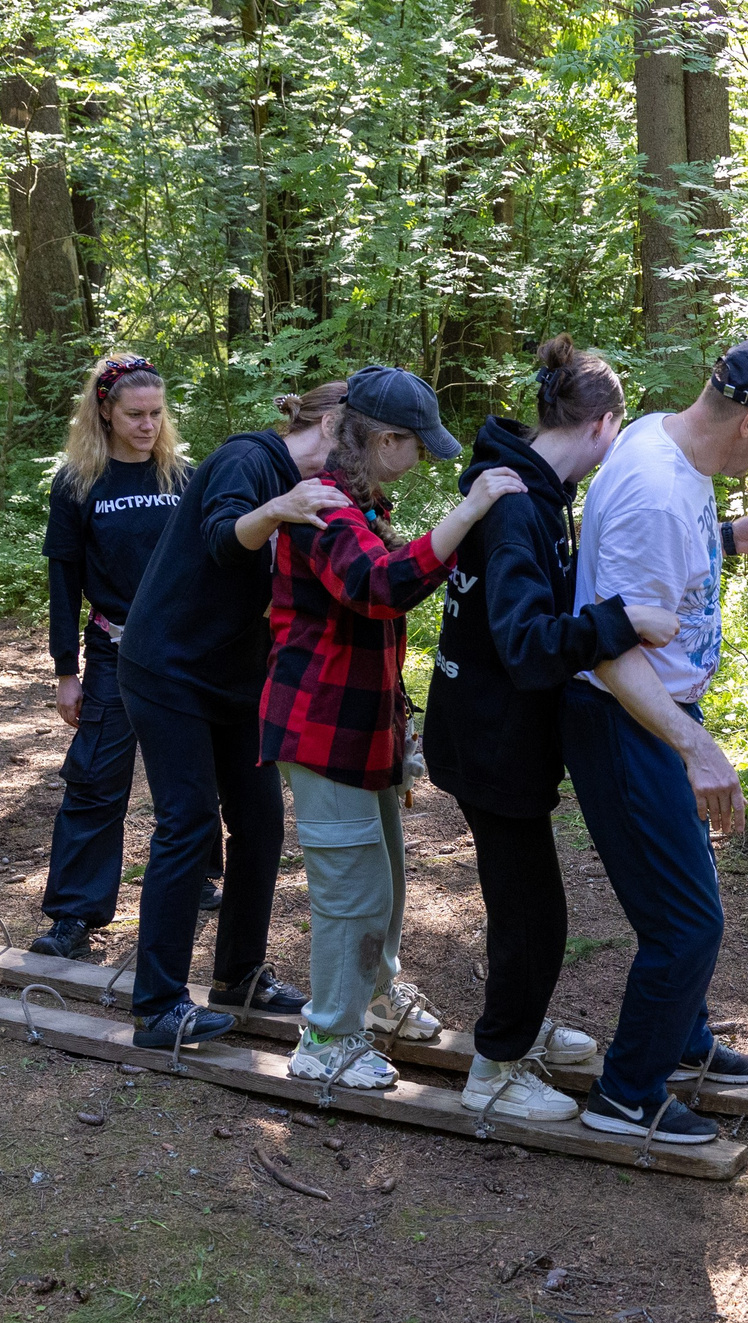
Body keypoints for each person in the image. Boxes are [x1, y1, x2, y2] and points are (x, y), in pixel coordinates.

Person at [560, 339, 748, 1143]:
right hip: (625, 717)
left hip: (658, 714)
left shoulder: (667, 446)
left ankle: (684, 1044)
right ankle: (626, 1094)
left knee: (691, 888)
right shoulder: (657, 495)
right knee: (686, 920)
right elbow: (610, 647)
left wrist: (733, 536)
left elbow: (654, 573)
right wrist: (692, 747)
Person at [424, 337, 681, 1120]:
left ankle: (518, 1034)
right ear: (603, 425)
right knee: (534, 912)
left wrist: (727, 540)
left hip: (490, 733)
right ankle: (496, 1065)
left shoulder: (530, 487)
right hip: (490, 740)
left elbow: (554, 588)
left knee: (528, 904)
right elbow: (527, 642)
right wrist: (620, 621)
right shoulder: (519, 510)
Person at [262, 364, 519, 1089]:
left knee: (389, 877)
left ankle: (373, 998)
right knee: (352, 888)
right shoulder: (323, 508)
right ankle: (327, 1036)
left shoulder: (361, 500)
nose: (426, 460)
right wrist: (464, 516)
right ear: (384, 440)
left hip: (363, 726)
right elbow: (379, 589)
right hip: (321, 729)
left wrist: (397, 723)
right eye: (418, 446)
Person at [115, 386, 351, 1050]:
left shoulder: (312, 486)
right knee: (187, 822)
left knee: (260, 820)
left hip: (233, 677)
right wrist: (278, 509)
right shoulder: (249, 462)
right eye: (359, 442)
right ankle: (157, 1006)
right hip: (166, 666)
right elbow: (224, 538)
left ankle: (239, 975)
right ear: (332, 426)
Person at [32, 353, 195, 963]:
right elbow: (63, 581)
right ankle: (75, 913)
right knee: (96, 779)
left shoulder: (182, 477)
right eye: (135, 414)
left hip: (184, 651)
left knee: (190, 771)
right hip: (113, 650)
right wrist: (64, 670)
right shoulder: (79, 484)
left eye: (156, 413)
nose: (148, 424)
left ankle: (198, 877)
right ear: (104, 410)